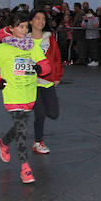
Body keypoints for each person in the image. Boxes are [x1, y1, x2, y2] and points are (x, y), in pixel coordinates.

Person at [0, 11, 50, 184]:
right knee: (22, 129)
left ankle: (3, 143)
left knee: (19, 126)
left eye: (26, 27)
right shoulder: (3, 48)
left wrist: (40, 69)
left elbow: (45, 65)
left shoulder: (31, 46)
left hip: (29, 93)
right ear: (11, 29)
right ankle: (25, 168)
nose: (24, 30)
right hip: (12, 93)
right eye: (20, 27)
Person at [29, 9, 63, 154]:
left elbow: (56, 58)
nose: (40, 21)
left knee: (53, 113)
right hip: (31, 81)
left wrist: (57, 76)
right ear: (31, 21)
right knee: (40, 114)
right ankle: (38, 142)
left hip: (47, 81)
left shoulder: (50, 38)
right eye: (37, 18)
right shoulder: (24, 39)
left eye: (43, 19)